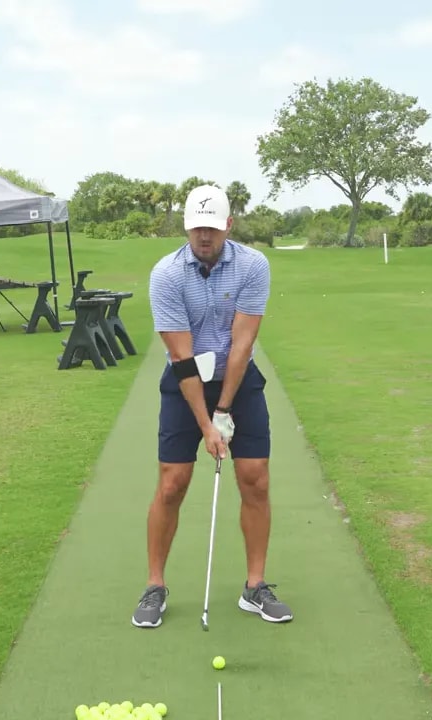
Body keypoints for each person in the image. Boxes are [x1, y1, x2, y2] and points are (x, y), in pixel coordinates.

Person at [131, 183, 293, 629]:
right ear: (187, 227)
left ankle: (255, 587)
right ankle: (155, 585)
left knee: (255, 478)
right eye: (197, 228)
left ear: (228, 226)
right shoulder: (166, 275)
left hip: (238, 381)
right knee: (172, 483)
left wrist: (223, 411)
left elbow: (242, 344)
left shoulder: (253, 266)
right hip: (185, 381)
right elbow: (181, 357)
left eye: (213, 228)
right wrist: (207, 425)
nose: (204, 236)